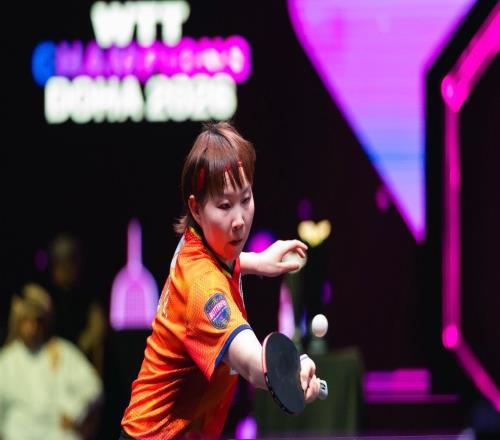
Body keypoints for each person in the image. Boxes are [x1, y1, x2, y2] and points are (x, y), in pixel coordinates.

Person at [120, 122, 321, 439]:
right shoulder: (204, 290)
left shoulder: (197, 243)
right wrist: (293, 371)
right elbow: (254, 366)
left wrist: (256, 262)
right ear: (196, 208)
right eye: (225, 206)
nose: (239, 220)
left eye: (246, 198)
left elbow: (221, 263)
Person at [0, 283, 103, 440]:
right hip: (18, 433)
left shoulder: (62, 352)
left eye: (37, 321)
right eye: (27, 321)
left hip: (56, 433)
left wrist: (74, 411)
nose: (32, 328)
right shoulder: (6, 360)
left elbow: (92, 386)